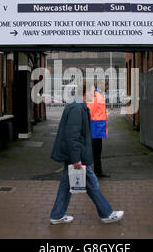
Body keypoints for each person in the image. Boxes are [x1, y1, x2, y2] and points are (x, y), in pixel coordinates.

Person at [49, 82, 124, 225]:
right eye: (92, 92)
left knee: (66, 185)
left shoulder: (77, 104)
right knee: (92, 183)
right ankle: (107, 213)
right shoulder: (77, 108)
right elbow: (73, 135)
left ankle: (57, 215)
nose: (94, 94)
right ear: (86, 92)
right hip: (77, 156)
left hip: (75, 154)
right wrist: (76, 158)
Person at [87, 84, 110, 178]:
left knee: (97, 150)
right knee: (95, 151)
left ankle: (97, 171)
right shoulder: (95, 95)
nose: (108, 87)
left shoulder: (98, 94)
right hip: (95, 126)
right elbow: (90, 110)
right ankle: (95, 171)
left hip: (98, 126)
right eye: (107, 85)